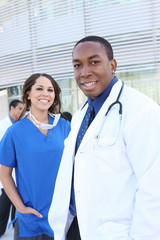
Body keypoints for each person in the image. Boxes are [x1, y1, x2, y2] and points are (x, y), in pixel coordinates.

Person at [48, 36, 160, 240]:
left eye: (94, 62)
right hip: (76, 227)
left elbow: (154, 185)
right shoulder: (81, 115)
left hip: (117, 233)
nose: (85, 72)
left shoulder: (140, 110)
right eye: (77, 65)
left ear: (113, 65)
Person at [0, 73, 71, 240]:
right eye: (39, 88)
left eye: (50, 90)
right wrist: (21, 208)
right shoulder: (14, 132)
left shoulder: (65, 127)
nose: (45, 93)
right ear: (28, 94)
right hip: (31, 221)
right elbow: (4, 174)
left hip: (62, 218)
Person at [0, 99, 24, 238]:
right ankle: (1, 228)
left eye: (23, 109)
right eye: (19, 108)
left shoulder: (21, 125)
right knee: (6, 199)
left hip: (19, 169)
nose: (21, 111)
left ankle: (16, 226)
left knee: (18, 198)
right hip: (6, 167)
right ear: (12, 108)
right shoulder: (3, 125)